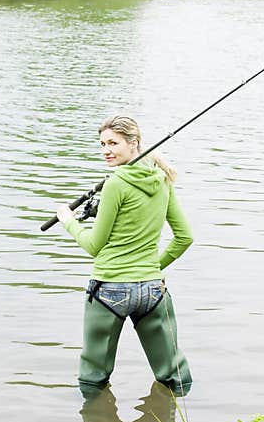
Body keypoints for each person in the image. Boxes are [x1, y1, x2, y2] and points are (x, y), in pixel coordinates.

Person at [56, 115, 193, 398]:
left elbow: (94, 246)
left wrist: (68, 220)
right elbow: (185, 237)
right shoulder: (163, 181)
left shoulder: (116, 184)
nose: (106, 150)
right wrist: (152, 268)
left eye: (113, 143)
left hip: (109, 290)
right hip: (154, 291)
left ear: (134, 145)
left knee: (94, 377)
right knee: (175, 375)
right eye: (102, 143)